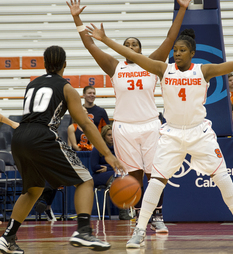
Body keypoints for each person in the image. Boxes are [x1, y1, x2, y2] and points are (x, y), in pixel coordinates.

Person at [87, 20, 233, 248]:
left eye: (182, 50)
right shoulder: (163, 69)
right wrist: (104, 40)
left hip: (199, 133)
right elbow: (127, 52)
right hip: (171, 134)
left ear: (192, 53)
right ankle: (140, 229)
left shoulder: (204, 70)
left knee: (224, 180)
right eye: (175, 50)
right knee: (155, 182)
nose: (177, 53)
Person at [67, 0, 191, 233]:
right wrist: (77, 19)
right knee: (132, 178)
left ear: (141, 50)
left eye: (135, 44)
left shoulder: (152, 64)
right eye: (127, 44)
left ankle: (157, 215)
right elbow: (90, 46)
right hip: (124, 128)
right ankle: (138, 219)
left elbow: (169, 39)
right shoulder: (115, 66)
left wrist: (182, 8)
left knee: (156, 174)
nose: (131, 46)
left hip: (151, 125)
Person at [0, 45, 124, 254]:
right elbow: (85, 123)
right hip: (42, 136)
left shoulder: (32, 85)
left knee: (33, 190)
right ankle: (84, 231)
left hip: (19, 137)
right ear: (64, 65)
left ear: (45, 64)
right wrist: (108, 154)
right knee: (85, 180)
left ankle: (7, 238)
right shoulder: (66, 88)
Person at [91, 125, 132, 220]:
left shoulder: (118, 149)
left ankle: (113, 187)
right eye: (109, 135)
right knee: (119, 178)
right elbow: (94, 167)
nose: (112, 137)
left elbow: (122, 165)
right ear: (104, 136)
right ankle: (123, 212)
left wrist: (108, 167)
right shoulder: (97, 148)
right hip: (99, 176)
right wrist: (112, 167)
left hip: (113, 174)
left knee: (122, 178)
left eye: (113, 134)